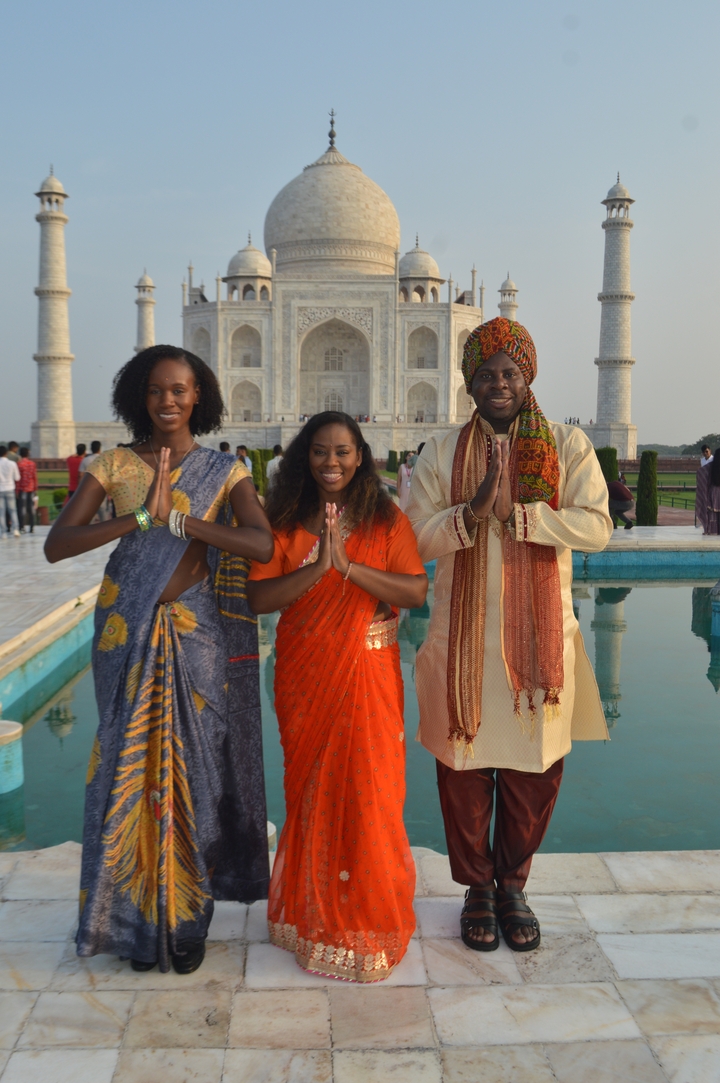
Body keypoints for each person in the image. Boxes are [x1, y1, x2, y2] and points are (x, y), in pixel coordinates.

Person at [44, 344, 274, 974]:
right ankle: (132, 918)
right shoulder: (113, 464)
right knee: (129, 771)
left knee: (196, 773)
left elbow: (260, 543)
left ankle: (186, 917)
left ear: (200, 395)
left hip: (196, 632)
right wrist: (144, 516)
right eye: (156, 391)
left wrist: (186, 523)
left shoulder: (225, 471)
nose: (168, 401)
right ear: (138, 398)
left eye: (180, 389)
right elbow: (58, 544)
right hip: (128, 630)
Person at [406, 317, 612, 954]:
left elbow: (596, 526)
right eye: (486, 374)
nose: (498, 384)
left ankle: (512, 885)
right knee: (463, 775)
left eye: (509, 373)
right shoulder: (441, 451)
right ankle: (476, 889)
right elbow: (412, 541)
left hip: (539, 650)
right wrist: (472, 511)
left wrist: (518, 514)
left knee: (532, 776)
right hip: (461, 645)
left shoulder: (567, 444)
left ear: (527, 379)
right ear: (469, 382)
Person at [246, 412, 428, 982]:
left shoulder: (384, 517)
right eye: (321, 452)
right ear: (305, 456)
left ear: (360, 455)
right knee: (312, 790)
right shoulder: (282, 520)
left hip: (368, 674)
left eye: (343, 452)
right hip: (305, 671)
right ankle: (310, 917)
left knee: (369, 789)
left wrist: (348, 567)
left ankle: (365, 919)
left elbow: (416, 592)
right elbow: (260, 599)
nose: (332, 462)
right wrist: (320, 566)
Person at [697, 449, 720, 535]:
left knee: (713, 514)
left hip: (713, 492)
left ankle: (712, 530)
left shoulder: (711, 466)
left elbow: (700, 472)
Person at [0, 446, 21, 538]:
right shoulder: (12, 463)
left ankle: (3, 532)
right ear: (6, 453)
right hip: (10, 488)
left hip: (0, 489)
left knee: (1, 512)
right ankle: (15, 529)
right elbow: (17, 478)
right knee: (13, 511)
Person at [16, 447, 38, 533]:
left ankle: (22, 527)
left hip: (22, 488)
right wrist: (36, 487)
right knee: (31, 508)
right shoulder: (32, 464)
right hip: (31, 487)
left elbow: (17, 479)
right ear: (28, 454)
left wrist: (17, 491)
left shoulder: (19, 464)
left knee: (22, 508)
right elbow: (34, 476)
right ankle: (32, 527)